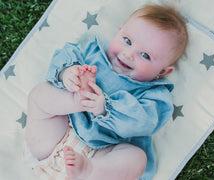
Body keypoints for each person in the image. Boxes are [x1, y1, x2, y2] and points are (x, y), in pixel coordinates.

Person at [24, 4, 188, 180]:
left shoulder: (154, 95)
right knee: (39, 94)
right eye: (127, 41)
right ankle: (76, 100)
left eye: (145, 55)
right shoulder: (92, 51)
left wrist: (105, 109)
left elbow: (143, 122)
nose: (128, 54)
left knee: (137, 157)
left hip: (100, 155)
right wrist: (68, 72)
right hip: (52, 139)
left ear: (163, 71)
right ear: (119, 31)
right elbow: (64, 55)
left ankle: (89, 171)